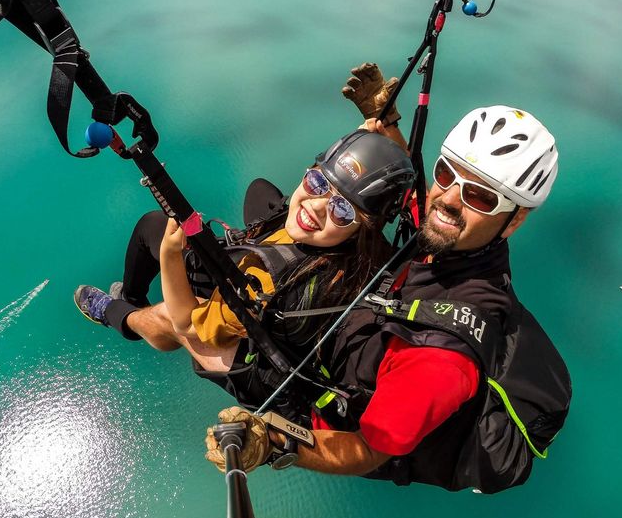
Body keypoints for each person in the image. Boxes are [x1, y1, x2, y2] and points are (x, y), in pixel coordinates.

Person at [204, 88, 568, 491]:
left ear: (514, 221)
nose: (447, 200)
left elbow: (368, 448)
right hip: (357, 332)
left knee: (189, 327)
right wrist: (387, 119)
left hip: (323, 411)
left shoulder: (443, 358)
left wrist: (273, 442)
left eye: (479, 195)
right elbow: (417, 205)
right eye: (446, 173)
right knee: (265, 201)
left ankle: (123, 313)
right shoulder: (456, 237)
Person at [73, 130, 416, 396]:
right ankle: (287, 226)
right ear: (310, 171)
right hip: (295, 289)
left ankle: (123, 311)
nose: (316, 206)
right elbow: (374, 183)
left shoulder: (263, 279)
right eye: (317, 182)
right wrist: (380, 126)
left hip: (252, 327)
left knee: (154, 237)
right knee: (262, 192)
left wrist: (170, 254)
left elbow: (187, 325)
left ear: (362, 227)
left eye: (341, 210)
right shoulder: (371, 248)